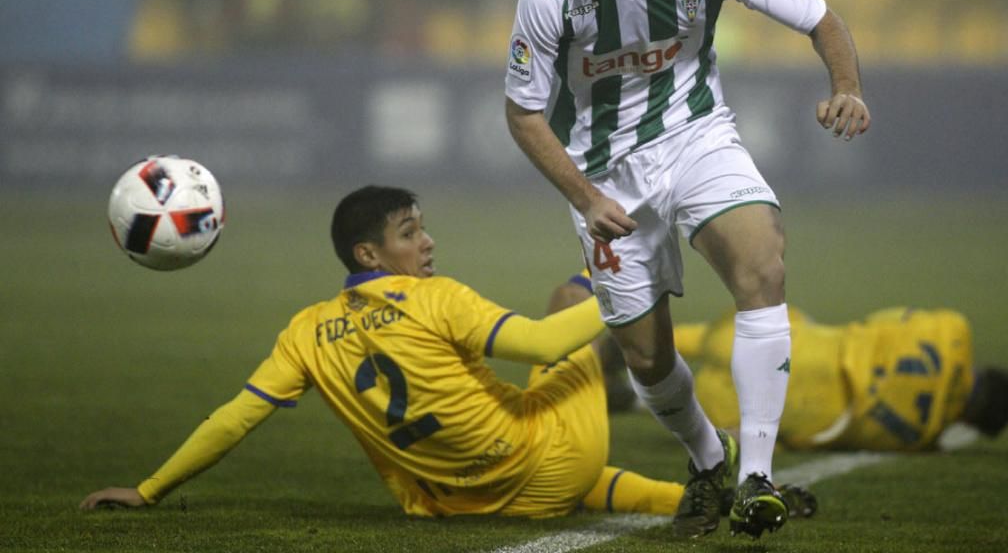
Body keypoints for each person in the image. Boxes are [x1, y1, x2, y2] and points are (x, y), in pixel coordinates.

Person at [504, 0, 871, 539]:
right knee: (645, 353)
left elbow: (822, 17)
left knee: (760, 261)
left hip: (697, 139)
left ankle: (757, 478)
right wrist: (586, 196)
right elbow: (522, 116)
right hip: (605, 175)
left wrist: (848, 85)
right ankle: (711, 459)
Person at [80, 186, 689, 518]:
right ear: (368, 255)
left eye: (422, 227)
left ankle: (694, 495)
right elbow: (545, 341)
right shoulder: (435, 298)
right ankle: (671, 416)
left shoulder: (305, 332)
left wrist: (150, 488)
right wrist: (637, 280)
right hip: (550, 464)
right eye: (409, 233)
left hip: (467, 502)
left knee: (562, 457)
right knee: (571, 299)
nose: (428, 242)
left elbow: (235, 417)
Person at [674, 306, 1008, 451]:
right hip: (805, 412)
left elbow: (882, 319)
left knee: (714, 340)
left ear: (985, 371)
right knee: (689, 397)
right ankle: (631, 393)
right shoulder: (920, 437)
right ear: (972, 422)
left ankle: (632, 341)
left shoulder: (952, 329)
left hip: (814, 349)